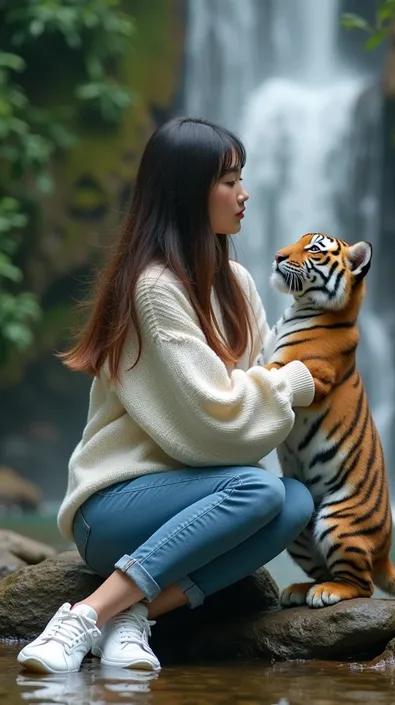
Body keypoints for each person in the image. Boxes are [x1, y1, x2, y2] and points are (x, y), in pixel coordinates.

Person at [17, 117, 317, 675]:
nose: (244, 194)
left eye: (241, 178)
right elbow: (217, 422)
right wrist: (289, 384)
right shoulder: (153, 288)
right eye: (228, 180)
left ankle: (133, 615)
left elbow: (243, 413)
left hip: (196, 501)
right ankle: (81, 616)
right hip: (114, 506)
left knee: (294, 500)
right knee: (258, 489)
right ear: (185, 189)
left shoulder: (239, 285)